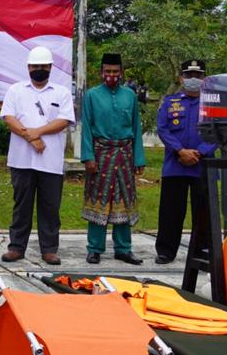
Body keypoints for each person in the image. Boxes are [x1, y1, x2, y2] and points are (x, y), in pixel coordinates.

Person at [0, 46, 74, 265]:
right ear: (28, 67)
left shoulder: (61, 92)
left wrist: (38, 132)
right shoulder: (15, 90)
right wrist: (31, 138)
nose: (38, 70)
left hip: (50, 161)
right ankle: (16, 247)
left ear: (50, 67)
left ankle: (49, 249)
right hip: (21, 160)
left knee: (50, 207)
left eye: (43, 66)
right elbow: (8, 117)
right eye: (35, 66)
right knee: (21, 205)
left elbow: (64, 120)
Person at [80, 53, 145, 265]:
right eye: (107, 71)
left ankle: (123, 249)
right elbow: (86, 128)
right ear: (101, 73)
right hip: (100, 154)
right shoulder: (91, 95)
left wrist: (139, 158)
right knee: (99, 199)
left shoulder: (130, 96)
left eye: (115, 72)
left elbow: (136, 127)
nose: (111, 75)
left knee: (124, 200)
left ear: (121, 73)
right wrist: (88, 157)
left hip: (125, 154)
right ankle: (95, 248)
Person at [155, 60, 216, 264]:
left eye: (198, 76)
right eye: (189, 75)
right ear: (181, 78)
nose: (193, 79)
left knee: (204, 210)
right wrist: (180, 151)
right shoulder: (170, 102)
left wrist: (198, 153)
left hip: (202, 165)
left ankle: (203, 249)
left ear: (204, 79)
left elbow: (217, 131)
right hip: (175, 164)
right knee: (171, 211)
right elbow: (162, 128)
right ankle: (166, 251)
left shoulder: (213, 103)